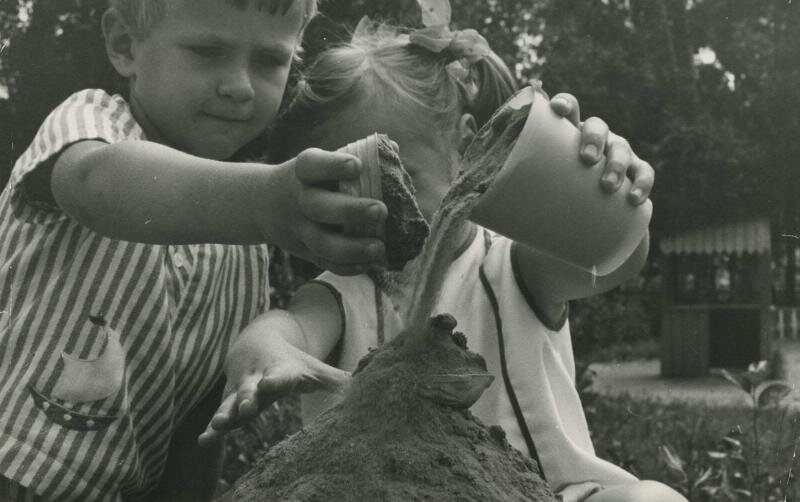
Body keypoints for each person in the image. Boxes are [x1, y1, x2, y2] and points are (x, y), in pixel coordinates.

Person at [201, 20, 686, 502]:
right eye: (338, 188)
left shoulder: (515, 268)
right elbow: (288, 327)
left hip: (549, 493)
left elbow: (614, 261)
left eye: (397, 176)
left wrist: (605, 184)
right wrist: (265, 354)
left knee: (651, 499)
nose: (373, 208)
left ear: (467, 147)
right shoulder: (341, 292)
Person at [0, 1, 393, 501]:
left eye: (270, 61)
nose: (240, 86)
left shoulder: (246, 250)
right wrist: (263, 202)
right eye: (207, 51)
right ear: (125, 46)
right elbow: (93, 181)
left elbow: (203, 423)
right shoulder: (92, 121)